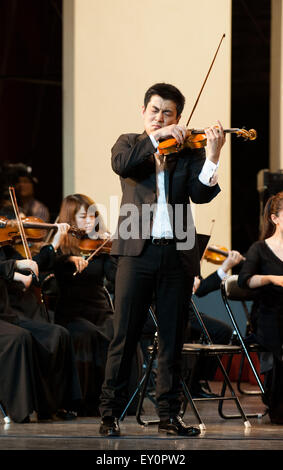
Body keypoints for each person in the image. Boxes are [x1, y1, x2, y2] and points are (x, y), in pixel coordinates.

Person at [99, 82, 226, 436]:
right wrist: (159, 137)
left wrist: (213, 156)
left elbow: (201, 196)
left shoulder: (188, 153)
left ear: (179, 117)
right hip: (135, 253)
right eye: (154, 111)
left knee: (173, 338)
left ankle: (169, 415)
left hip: (176, 254)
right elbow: (122, 164)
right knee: (123, 335)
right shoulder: (129, 144)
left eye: (168, 113)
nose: (160, 117)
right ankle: (109, 414)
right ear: (143, 113)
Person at [0, 223, 82, 422]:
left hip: (7, 316)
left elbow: (32, 266)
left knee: (57, 334)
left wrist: (23, 267)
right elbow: (13, 266)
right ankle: (19, 410)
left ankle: (55, 405)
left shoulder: (4, 246)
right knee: (19, 338)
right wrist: (14, 267)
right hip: (7, 321)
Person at [53, 194, 118, 416]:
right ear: (70, 218)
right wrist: (68, 260)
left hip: (100, 309)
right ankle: (87, 402)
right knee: (88, 335)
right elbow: (51, 267)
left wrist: (114, 253)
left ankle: (117, 400)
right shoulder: (61, 247)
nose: (90, 220)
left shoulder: (100, 246)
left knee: (118, 330)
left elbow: (115, 279)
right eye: (83, 216)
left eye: (93, 215)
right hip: (73, 313)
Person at [238, 191, 283, 424]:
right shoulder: (259, 248)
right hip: (269, 314)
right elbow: (244, 281)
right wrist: (270, 279)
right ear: (275, 218)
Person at [187, 249, 244, 397]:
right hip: (169, 311)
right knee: (218, 331)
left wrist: (226, 266)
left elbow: (200, 289)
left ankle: (194, 382)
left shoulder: (188, 253)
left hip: (186, 311)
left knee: (223, 331)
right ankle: (190, 384)